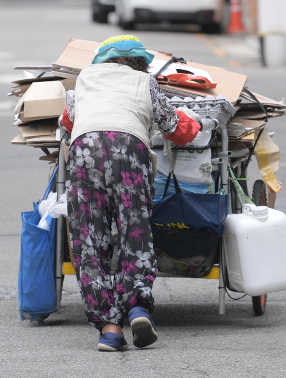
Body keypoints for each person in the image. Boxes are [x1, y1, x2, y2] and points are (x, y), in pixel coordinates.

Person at [61, 35, 203, 352]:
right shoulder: (145, 81)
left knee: (88, 240)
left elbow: (67, 122)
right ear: (140, 62)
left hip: (85, 154)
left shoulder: (83, 79)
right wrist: (195, 124)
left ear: (102, 60)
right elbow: (175, 128)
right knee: (134, 231)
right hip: (128, 152)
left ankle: (109, 330)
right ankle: (138, 308)